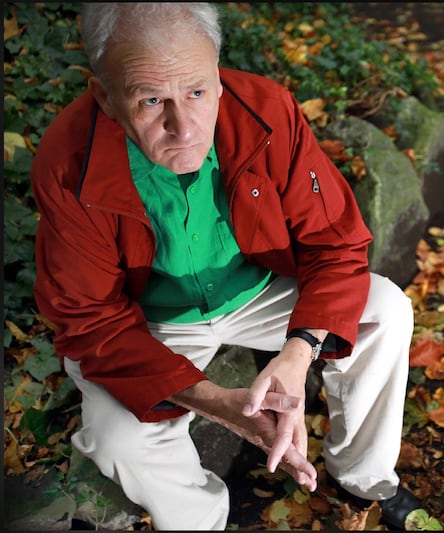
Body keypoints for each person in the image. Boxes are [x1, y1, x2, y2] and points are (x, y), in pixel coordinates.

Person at [30, 2, 422, 530]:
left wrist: (299, 350)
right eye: (151, 100)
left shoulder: (266, 109)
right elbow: (89, 321)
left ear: (217, 78)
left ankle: (364, 479)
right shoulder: (65, 162)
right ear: (106, 98)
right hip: (149, 324)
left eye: (196, 91)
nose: (183, 126)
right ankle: (202, 520)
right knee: (116, 439)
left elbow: (335, 243)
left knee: (387, 310)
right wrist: (216, 402)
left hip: (259, 290)